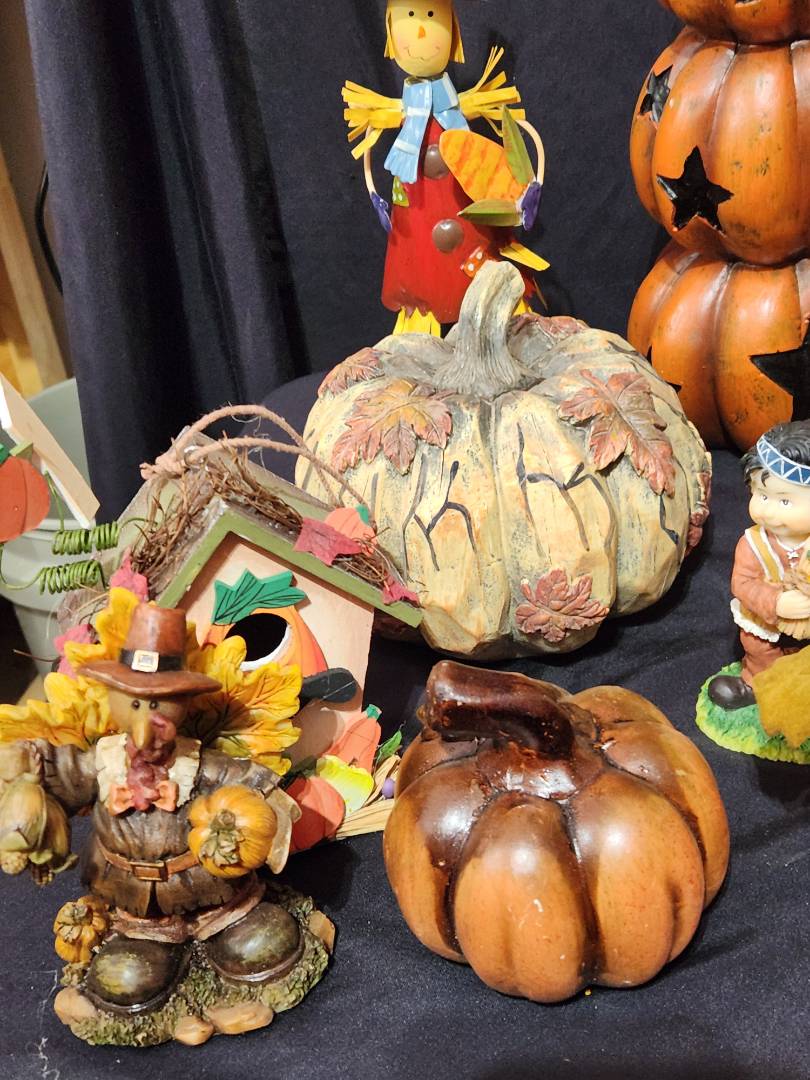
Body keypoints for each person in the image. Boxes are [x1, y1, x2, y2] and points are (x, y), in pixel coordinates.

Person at [344, 0, 545, 334]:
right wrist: (374, 196)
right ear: (391, 30)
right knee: (421, 266)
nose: (422, 30)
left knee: (479, 252)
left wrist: (530, 186)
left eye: (432, 16)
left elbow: (521, 131)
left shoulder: (458, 112)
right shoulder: (401, 113)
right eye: (411, 16)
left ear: (452, 28)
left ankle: (501, 310)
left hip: (466, 205)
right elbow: (368, 144)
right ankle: (419, 324)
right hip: (416, 211)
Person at [709, 420, 810, 710]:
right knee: (758, 646)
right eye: (761, 495)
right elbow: (742, 584)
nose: (768, 511)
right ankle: (758, 683)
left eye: (785, 501)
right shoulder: (753, 544)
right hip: (767, 622)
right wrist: (776, 602)